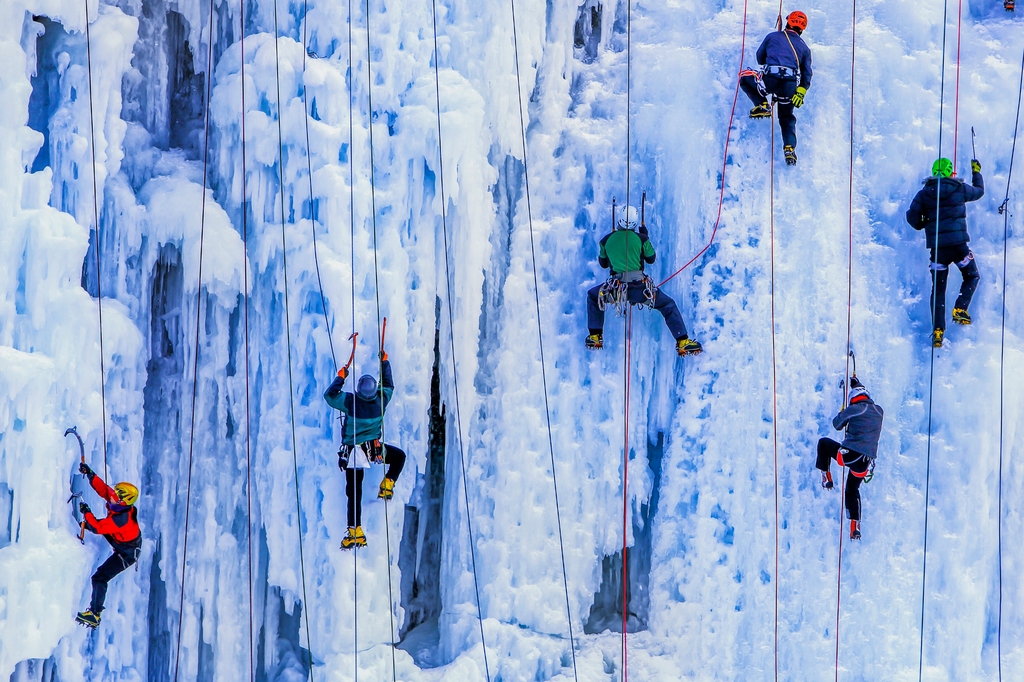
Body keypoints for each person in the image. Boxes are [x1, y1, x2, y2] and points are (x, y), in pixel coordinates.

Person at [585, 205, 702, 356]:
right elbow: (651, 259)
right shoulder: (642, 239)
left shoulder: (605, 240)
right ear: (634, 223)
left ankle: (595, 336)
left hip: (615, 289)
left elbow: (603, 264)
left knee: (594, 296)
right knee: (667, 305)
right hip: (640, 289)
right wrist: (645, 237)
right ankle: (682, 341)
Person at [324, 351, 406, 549]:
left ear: (360, 390)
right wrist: (384, 361)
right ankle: (387, 484)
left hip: (354, 454)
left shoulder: (351, 402)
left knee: (354, 491)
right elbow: (389, 385)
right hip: (373, 450)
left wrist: (341, 377)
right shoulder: (381, 402)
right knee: (399, 457)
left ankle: (355, 531)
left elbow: (330, 396)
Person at [905, 157, 984, 347]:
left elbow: (912, 217)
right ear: (951, 172)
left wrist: (924, 223)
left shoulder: (924, 194)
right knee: (971, 275)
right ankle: (960, 309)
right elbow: (979, 192)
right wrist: (976, 172)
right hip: (959, 247)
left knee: (938, 289)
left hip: (938, 250)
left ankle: (938, 330)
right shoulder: (960, 188)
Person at [740, 11, 813, 166]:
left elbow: (760, 58)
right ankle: (789, 149)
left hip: (770, 80)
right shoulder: (805, 48)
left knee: (745, 78)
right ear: (803, 28)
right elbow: (807, 75)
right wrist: (801, 92)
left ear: (788, 21)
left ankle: (762, 105)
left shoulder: (773, 36)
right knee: (786, 118)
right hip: (790, 86)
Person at [815, 377, 883, 540]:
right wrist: (857, 384)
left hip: (851, 455)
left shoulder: (855, 409)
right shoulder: (879, 410)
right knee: (852, 490)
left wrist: (844, 412)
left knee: (823, 444)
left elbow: (837, 424)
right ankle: (855, 526)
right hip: (865, 463)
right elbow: (864, 403)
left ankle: (826, 478)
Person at [74, 465, 142, 628]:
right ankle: (85, 524)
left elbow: (98, 527)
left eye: (116, 497)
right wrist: (90, 474)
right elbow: (104, 490)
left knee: (100, 578)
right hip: (122, 542)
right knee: (93, 525)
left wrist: (87, 512)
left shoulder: (122, 520)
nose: (112, 497)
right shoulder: (120, 504)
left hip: (127, 554)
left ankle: (94, 615)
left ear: (123, 501)